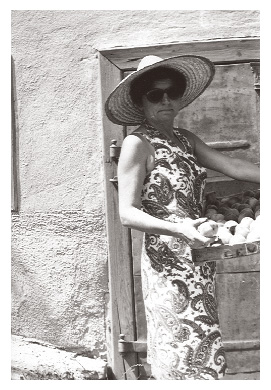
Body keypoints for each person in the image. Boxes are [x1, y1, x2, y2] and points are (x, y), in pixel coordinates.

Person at [105, 55, 260, 380]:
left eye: (171, 92)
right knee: (178, 348)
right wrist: (179, 228)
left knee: (204, 341)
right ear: (139, 100)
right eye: (154, 94)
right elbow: (127, 213)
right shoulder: (137, 144)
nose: (165, 100)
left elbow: (233, 167)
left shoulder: (185, 139)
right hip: (167, 264)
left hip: (199, 257)